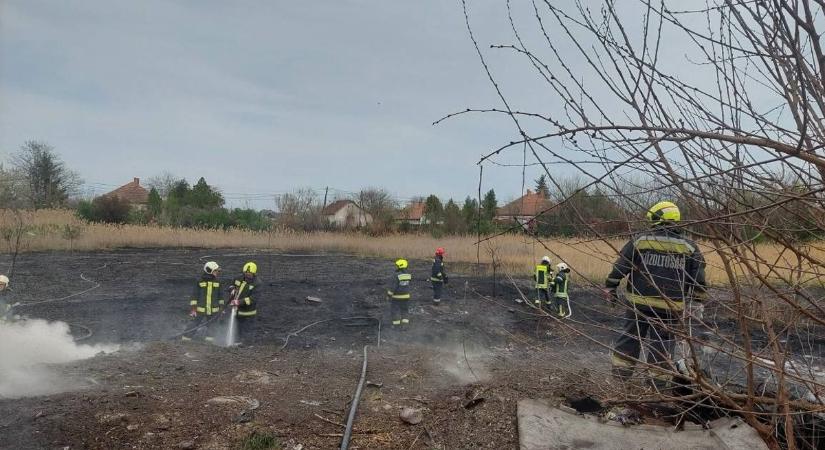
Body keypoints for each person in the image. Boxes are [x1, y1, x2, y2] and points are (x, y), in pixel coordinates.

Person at [604, 201, 707, 389]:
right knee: (663, 347)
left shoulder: (641, 240)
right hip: (670, 309)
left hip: (638, 305)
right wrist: (698, 302)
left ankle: (619, 381)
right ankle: (656, 388)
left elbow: (621, 265)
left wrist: (611, 286)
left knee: (630, 339)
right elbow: (698, 279)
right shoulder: (689, 247)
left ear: (657, 218)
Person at [184, 261, 224, 342]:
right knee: (194, 324)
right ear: (210, 271)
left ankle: (209, 342)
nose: (217, 272)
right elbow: (194, 296)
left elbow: (221, 296)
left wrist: (221, 308)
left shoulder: (218, 282)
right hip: (200, 310)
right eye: (215, 271)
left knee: (212, 326)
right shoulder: (199, 282)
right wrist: (193, 309)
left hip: (213, 310)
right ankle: (185, 339)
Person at [228, 262, 259, 344]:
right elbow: (231, 285)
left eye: (249, 273)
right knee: (237, 328)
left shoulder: (257, 283)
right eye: (246, 273)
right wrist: (232, 289)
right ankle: (236, 343)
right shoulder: (238, 278)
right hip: (237, 311)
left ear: (254, 273)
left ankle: (247, 345)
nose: (247, 274)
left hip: (248, 313)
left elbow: (253, 299)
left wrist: (239, 302)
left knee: (247, 330)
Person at [387, 258, 412, 327]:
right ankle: (405, 325)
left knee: (395, 311)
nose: (396, 267)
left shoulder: (396, 275)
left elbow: (393, 287)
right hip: (406, 296)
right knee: (405, 310)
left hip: (396, 297)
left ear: (400, 266)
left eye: (397, 266)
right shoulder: (408, 275)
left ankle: (396, 325)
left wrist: (389, 295)